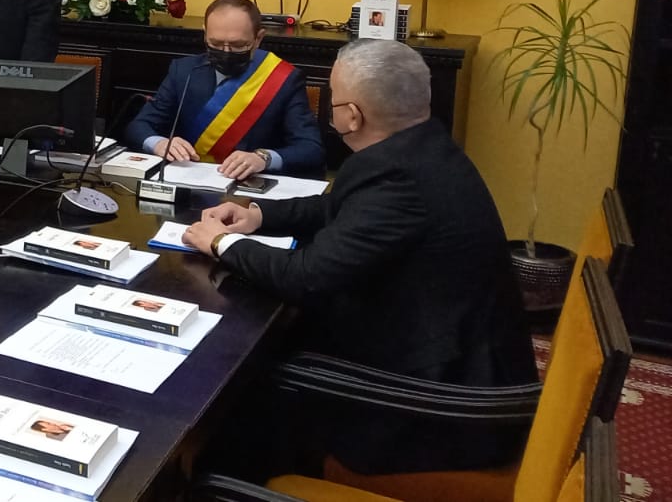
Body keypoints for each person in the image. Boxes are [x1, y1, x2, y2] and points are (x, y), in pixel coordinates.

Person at [181, 39, 535, 475]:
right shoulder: (419, 147)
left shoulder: (398, 178)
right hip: (438, 347)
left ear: (352, 116)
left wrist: (221, 243)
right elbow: (337, 207)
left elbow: (305, 277)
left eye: (333, 98)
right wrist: (257, 216)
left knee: (237, 406)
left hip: (437, 403)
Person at [124, 0, 325, 179]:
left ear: (258, 39)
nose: (226, 51)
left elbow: (311, 148)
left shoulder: (283, 79)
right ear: (205, 34)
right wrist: (159, 143)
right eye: (216, 43)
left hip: (247, 191)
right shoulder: (184, 71)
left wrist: (264, 158)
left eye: (238, 45)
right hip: (187, 182)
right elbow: (138, 126)